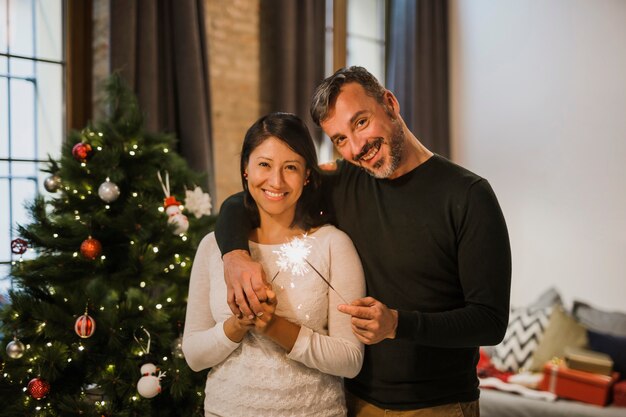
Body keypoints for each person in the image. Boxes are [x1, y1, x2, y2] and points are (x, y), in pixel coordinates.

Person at [215, 66, 512, 416]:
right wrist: (234, 255)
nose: (357, 147)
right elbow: (248, 198)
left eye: (360, 122)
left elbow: (490, 322)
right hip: (352, 402)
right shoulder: (341, 184)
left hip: (439, 405)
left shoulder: (469, 195)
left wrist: (398, 324)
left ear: (390, 103)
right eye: (340, 139)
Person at [182, 112, 366, 417]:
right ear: (245, 170)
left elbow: (350, 360)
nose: (276, 181)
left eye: (291, 167)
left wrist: (275, 326)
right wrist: (237, 324)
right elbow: (194, 355)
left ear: (307, 175)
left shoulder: (333, 245)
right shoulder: (214, 248)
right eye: (264, 164)